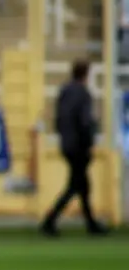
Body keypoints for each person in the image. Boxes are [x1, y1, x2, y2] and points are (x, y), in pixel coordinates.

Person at [40, 60, 109, 237]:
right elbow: (85, 121)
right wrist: (89, 142)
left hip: (66, 144)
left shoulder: (64, 91)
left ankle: (90, 224)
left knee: (82, 185)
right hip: (79, 146)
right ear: (86, 75)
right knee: (76, 186)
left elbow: (59, 119)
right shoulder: (83, 94)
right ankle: (51, 220)